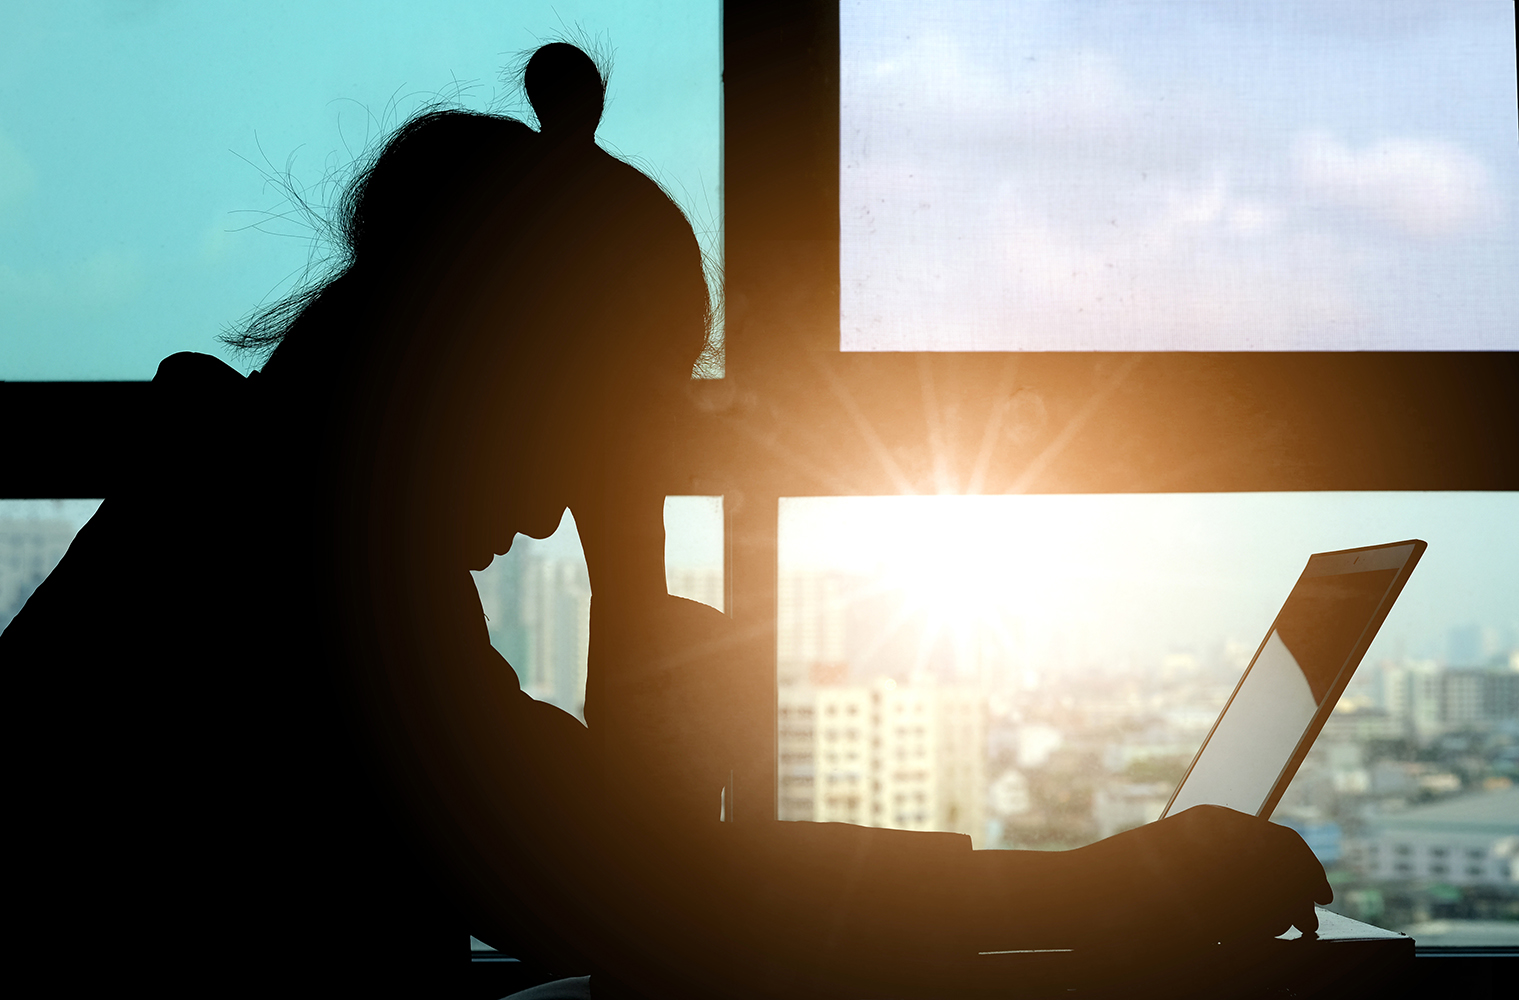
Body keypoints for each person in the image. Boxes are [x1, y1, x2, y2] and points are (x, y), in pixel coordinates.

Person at [2, 43, 1330, 999]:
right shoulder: (308, 568)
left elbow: (604, 874)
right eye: (601, 424)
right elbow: (629, 893)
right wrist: (1109, 890)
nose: (551, 504)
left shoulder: (259, 499)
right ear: (496, 371)